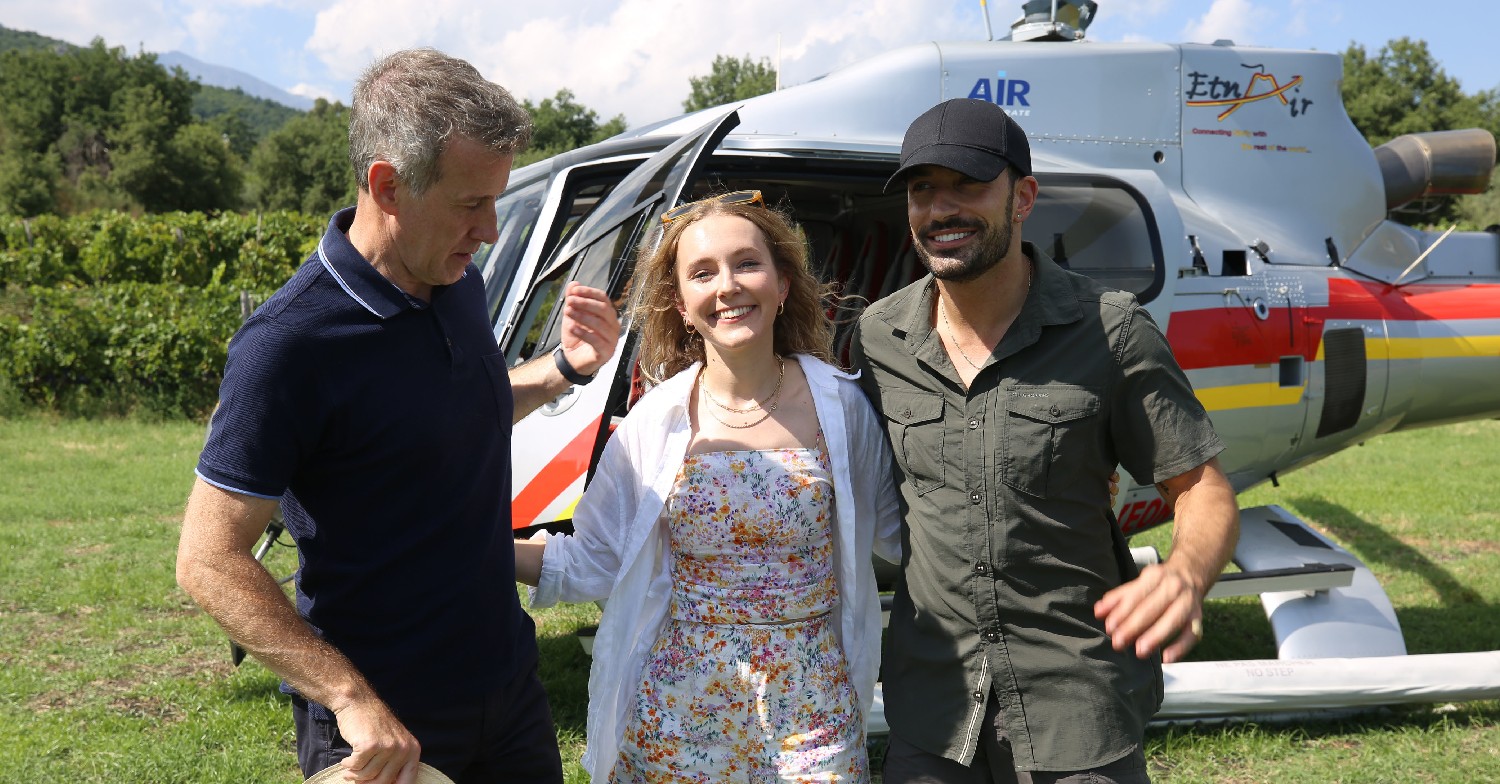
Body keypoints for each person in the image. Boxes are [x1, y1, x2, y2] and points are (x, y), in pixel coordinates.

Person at [175, 49, 621, 784]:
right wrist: (350, 699)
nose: (490, 232)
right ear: (387, 184)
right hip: (386, 726)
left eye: (495, 202)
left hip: (508, 688)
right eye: (471, 203)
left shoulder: (457, 284)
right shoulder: (289, 345)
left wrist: (563, 368)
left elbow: (450, 415)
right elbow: (207, 559)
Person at [851, 98, 1241, 784]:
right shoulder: (881, 337)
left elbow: (1200, 487)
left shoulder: (1112, 330)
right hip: (933, 711)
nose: (941, 209)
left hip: (1076, 705)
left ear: (1023, 196)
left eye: (968, 185)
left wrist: (1184, 576)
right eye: (921, 191)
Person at [514, 191, 902, 783]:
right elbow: (594, 558)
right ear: (681, 303)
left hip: (813, 708)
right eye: (702, 272)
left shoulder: (843, 409)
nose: (727, 286)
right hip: (677, 708)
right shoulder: (655, 420)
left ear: (783, 283)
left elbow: (911, 540)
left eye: (746, 263)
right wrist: (475, 547)